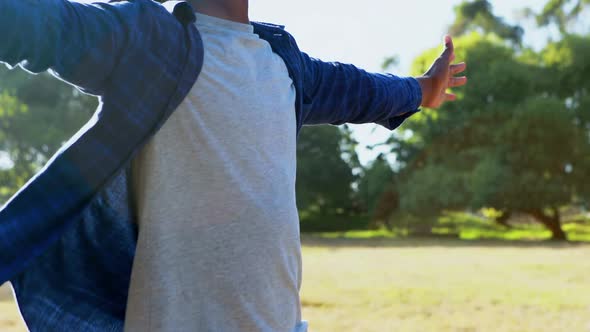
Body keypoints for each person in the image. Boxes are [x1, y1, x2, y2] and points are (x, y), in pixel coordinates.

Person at [0, 0, 467, 331]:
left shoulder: (286, 66)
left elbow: (363, 91)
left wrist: (425, 89)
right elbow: (41, 24)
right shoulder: (150, 40)